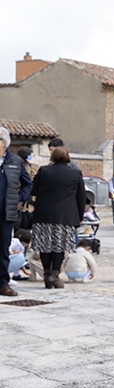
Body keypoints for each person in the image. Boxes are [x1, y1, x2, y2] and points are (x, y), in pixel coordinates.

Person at [31, 146, 87, 289]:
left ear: (53, 157)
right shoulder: (75, 174)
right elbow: (81, 197)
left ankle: (46, 275)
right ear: (67, 158)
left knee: (45, 246)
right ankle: (54, 275)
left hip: (43, 214)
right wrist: (80, 216)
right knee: (59, 246)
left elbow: (34, 190)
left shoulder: (44, 171)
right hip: (65, 216)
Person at [0, 127, 33, 296]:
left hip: (7, 212)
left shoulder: (16, 161)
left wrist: (18, 198)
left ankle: (3, 283)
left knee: (3, 248)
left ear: (3, 142)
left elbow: (28, 184)